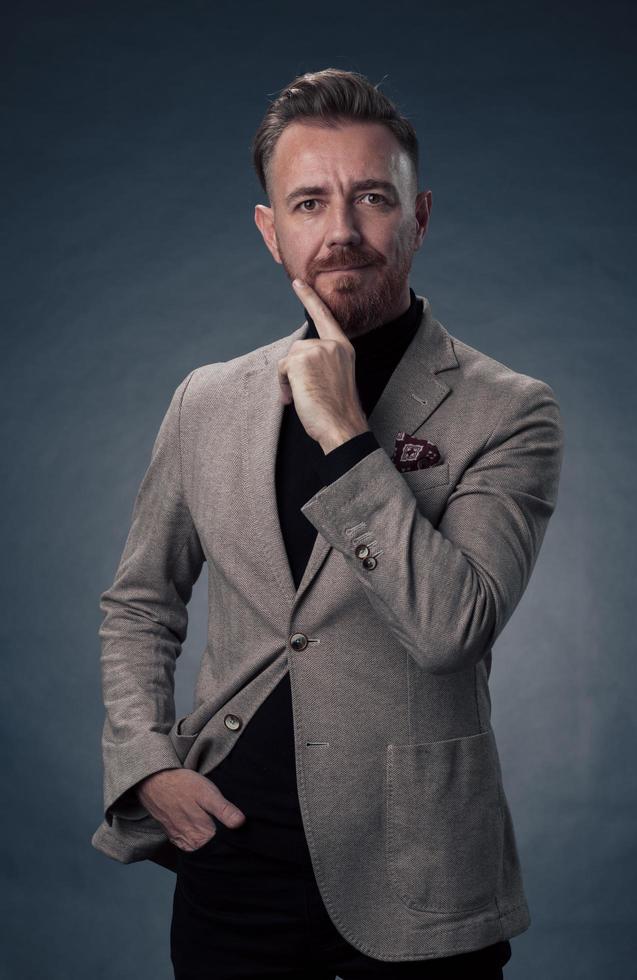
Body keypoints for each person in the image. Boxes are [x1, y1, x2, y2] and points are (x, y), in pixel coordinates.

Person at [91, 68, 564, 979]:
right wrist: (145, 761)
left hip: (424, 868)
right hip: (232, 858)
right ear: (272, 233)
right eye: (308, 202)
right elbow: (140, 603)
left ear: (418, 215)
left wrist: (347, 436)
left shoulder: (510, 410)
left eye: (371, 198)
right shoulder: (206, 398)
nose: (341, 231)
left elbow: (450, 629)